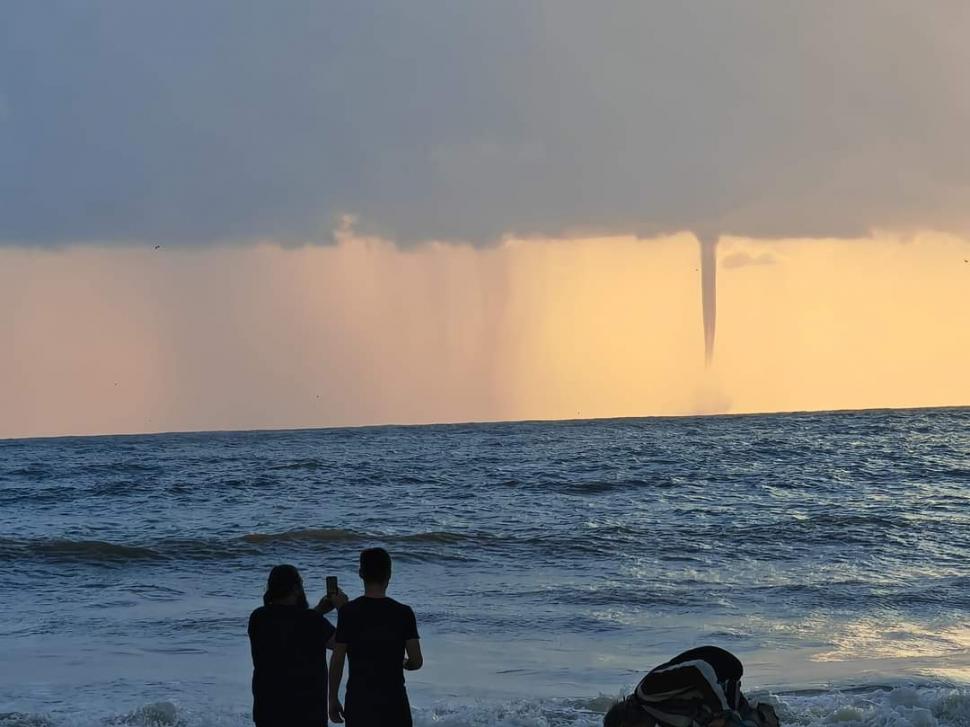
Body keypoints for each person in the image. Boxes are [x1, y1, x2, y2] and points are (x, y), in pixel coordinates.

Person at [329, 547, 423, 726]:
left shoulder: (348, 612)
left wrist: (332, 698)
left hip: (359, 702)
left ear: (361, 573)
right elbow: (416, 661)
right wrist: (403, 662)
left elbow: (337, 659)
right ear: (389, 575)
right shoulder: (403, 613)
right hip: (394, 703)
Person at [248, 564, 348, 727]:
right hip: (307, 711)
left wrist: (317, 611)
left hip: (268, 709)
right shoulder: (312, 622)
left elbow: (290, 627)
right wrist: (344, 610)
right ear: (296, 589)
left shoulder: (258, 618)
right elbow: (342, 643)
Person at [603, 646, 780, 727]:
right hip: (722, 687)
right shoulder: (657, 713)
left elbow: (699, 668)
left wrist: (720, 714)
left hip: (720, 663)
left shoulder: (648, 690)